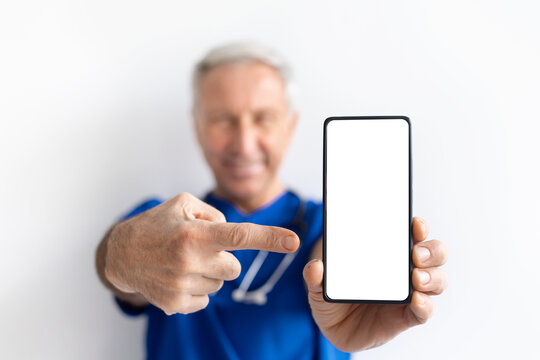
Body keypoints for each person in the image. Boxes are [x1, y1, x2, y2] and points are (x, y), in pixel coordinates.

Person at [95, 42, 449, 360]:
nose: (244, 144)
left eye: (263, 119)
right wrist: (122, 255)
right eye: (222, 120)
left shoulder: (334, 225)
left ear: (290, 126)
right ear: (197, 127)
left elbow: (331, 259)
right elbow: (113, 264)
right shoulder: (162, 224)